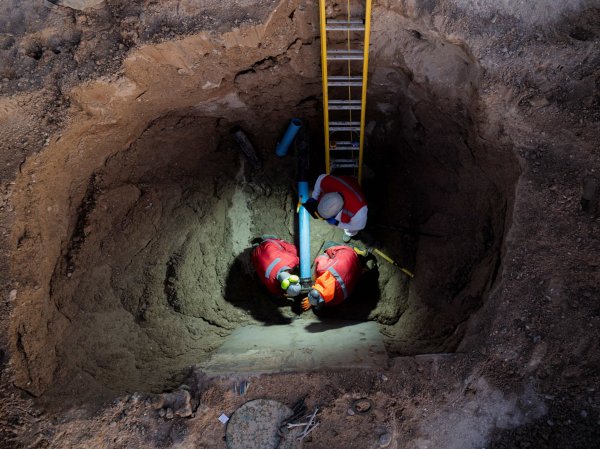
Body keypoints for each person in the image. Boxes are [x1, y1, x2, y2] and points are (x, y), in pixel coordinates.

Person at [302, 174, 368, 242]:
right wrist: (314, 197)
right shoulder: (326, 182)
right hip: (345, 183)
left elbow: (358, 226)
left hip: (355, 188)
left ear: (339, 212)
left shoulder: (359, 212)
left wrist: (338, 223)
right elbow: (321, 177)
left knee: (351, 229)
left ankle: (349, 234)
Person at [301, 244, 363, 311]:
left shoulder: (337, 300)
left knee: (327, 249)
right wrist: (316, 276)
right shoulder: (322, 269)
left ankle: (358, 256)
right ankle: (354, 250)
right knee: (328, 247)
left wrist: (313, 302)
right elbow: (321, 257)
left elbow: (324, 302)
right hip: (348, 254)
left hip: (358, 268)